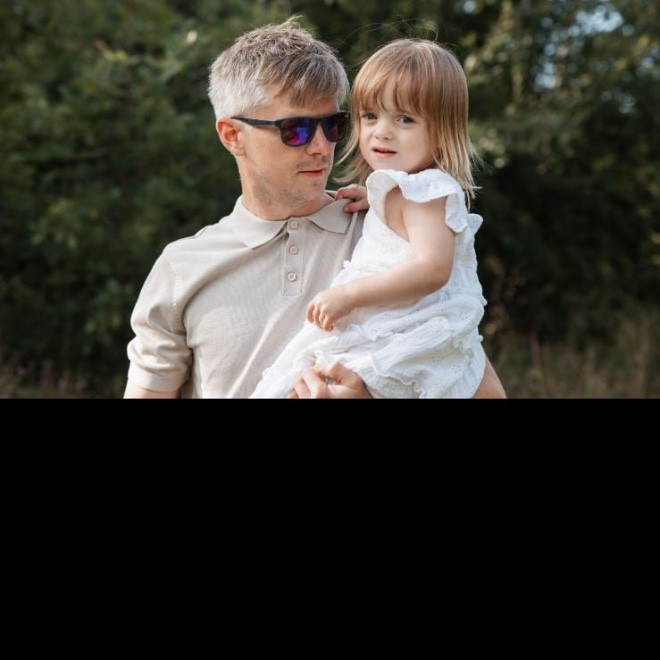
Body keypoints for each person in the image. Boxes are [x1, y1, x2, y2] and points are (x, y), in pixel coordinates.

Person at [123, 18, 505, 398]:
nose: (322, 147)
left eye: (333, 125)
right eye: (297, 129)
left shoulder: (393, 236)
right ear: (232, 135)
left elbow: (467, 376)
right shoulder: (181, 269)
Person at [251, 38, 491, 398]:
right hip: (389, 321)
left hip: (403, 326)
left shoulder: (427, 193)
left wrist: (348, 295)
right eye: (370, 116)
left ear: (441, 130)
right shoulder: (403, 191)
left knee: (301, 378)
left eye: (405, 119)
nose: (382, 131)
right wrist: (375, 198)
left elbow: (431, 269)